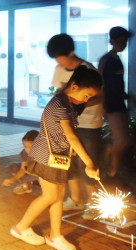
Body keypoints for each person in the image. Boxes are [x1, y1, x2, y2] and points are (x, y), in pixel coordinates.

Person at [10, 66, 101, 250]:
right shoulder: (60, 106)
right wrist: (89, 163)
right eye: (87, 95)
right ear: (75, 86)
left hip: (57, 158)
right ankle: (21, 228)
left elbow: (63, 135)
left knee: (58, 195)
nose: (86, 100)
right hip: (46, 158)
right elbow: (72, 136)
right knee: (51, 196)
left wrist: (71, 153)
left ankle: (55, 235)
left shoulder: (65, 102)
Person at [47, 33, 104, 218]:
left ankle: (94, 203)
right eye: (55, 58)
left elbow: (101, 96)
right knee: (69, 163)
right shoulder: (59, 70)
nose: (58, 62)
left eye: (59, 57)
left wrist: (78, 104)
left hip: (88, 123)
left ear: (70, 53)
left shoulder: (88, 70)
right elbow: (58, 93)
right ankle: (76, 200)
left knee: (87, 161)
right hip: (66, 123)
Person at [99, 26, 133, 183]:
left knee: (123, 140)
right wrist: (103, 107)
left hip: (120, 104)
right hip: (112, 106)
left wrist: (127, 96)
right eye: (121, 40)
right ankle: (110, 170)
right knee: (122, 141)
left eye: (125, 40)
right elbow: (101, 84)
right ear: (112, 40)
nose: (124, 43)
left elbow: (118, 84)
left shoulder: (117, 59)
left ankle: (113, 171)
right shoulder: (107, 60)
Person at [2, 130, 39, 195]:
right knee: (13, 166)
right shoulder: (24, 153)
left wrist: (12, 180)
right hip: (28, 171)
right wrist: (12, 179)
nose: (27, 150)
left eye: (30, 147)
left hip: (39, 174)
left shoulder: (42, 154)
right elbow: (23, 169)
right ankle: (27, 187)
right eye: (25, 146)